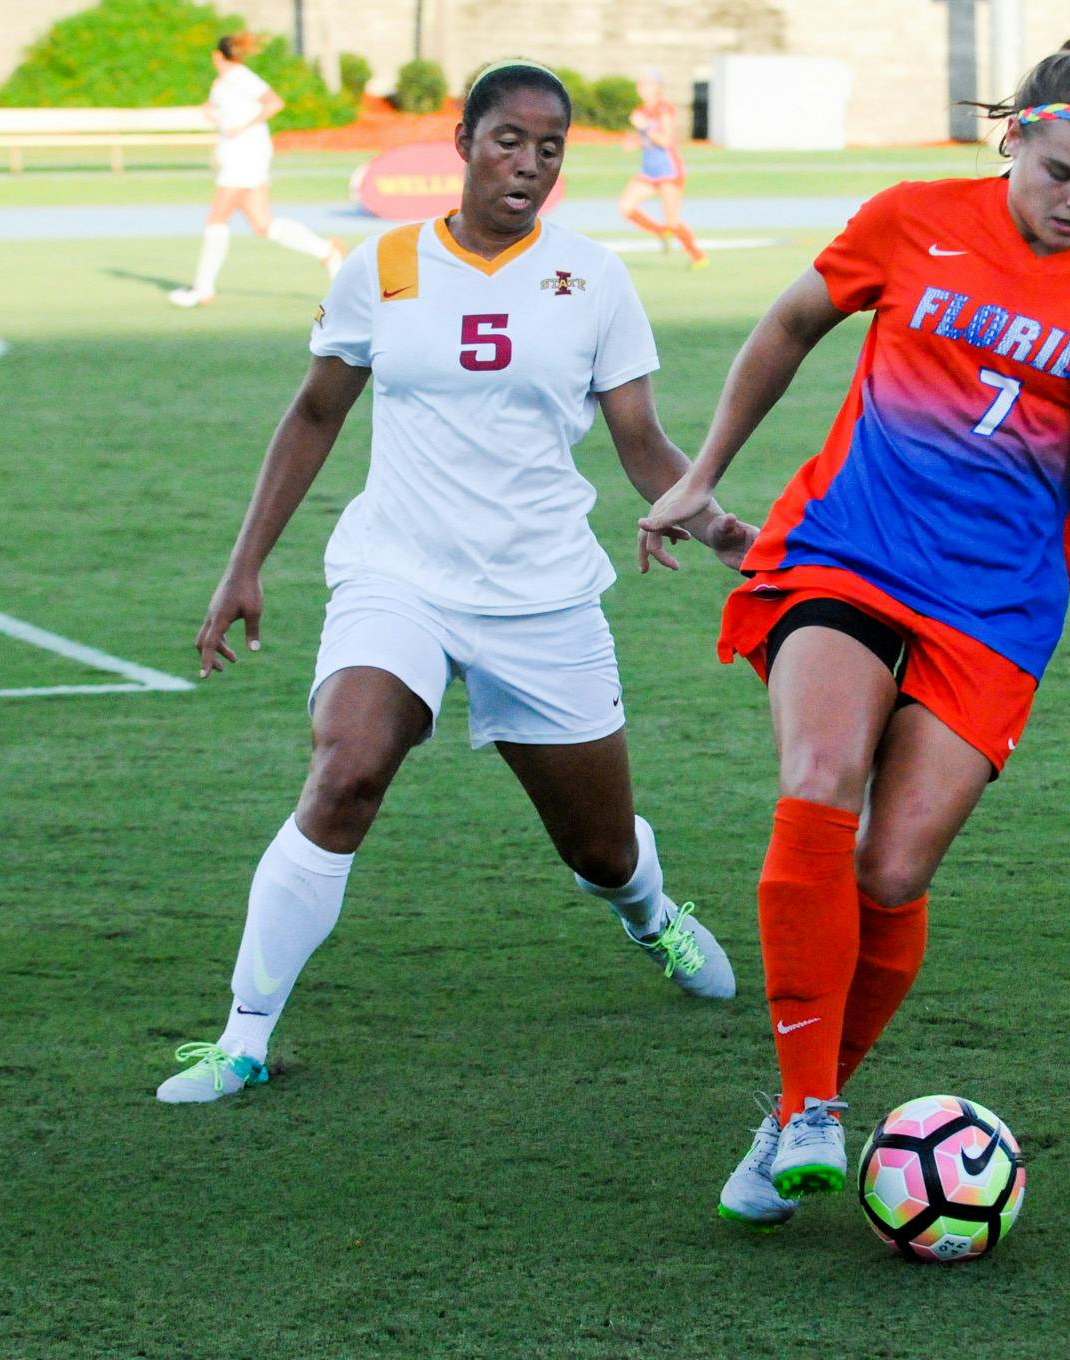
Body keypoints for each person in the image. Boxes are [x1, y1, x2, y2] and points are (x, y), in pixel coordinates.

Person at [637, 30, 1070, 1227]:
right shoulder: (910, 215)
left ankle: (803, 1095)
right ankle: (807, 1115)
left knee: (891, 869)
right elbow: (791, 324)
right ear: (1014, 138)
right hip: (847, 549)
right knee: (820, 772)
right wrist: (702, 474)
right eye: (1060, 172)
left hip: (996, 602)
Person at [157, 60, 754, 1104]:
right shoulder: (380, 266)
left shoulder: (595, 278)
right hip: (399, 573)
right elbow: (313, 414)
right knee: (346, 770)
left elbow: (643, 444)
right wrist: (243, 562)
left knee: (601, 846)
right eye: (508, 141)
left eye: (550, 148)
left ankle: (650, 915)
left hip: (541, 592)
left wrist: (722, 534)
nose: (528, 164)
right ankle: (242, 1036)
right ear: (465, 143)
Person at [169, 31, 345, 308]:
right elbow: (219, 110)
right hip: (236, 156)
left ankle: (202, 290)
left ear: (217, 55)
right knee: (264, 226)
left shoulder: (241, 77)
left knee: (216, 220)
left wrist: (242, 126)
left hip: (247, 155)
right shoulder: (222, 83)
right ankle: (327, 251)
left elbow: (274, 103)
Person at [617, 70, 706, 268]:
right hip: (649, 171)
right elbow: (648, 140)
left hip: (668, 172)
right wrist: (635, 142)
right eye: (640, 83)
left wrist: (645, 127)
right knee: (626, 207)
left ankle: (698, 257)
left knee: (673, 221)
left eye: (648, 83)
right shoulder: (641, 111)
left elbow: (666, 141)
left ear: (658, 87)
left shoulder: (664, 109)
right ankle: (660, 231)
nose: (642, 88)